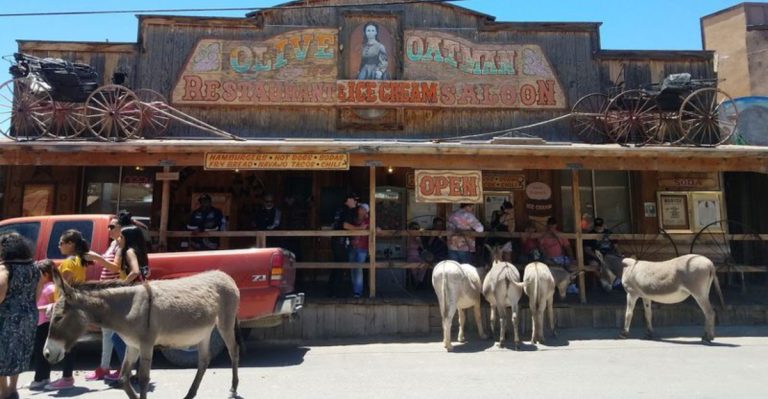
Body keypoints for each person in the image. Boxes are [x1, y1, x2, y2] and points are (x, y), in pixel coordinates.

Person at [44, 229, 91, 390]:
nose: (59, 246)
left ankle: (66, 378)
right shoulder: (79, 260)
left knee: (65, 343)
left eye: (61, 243)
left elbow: (65, 290)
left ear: (70, 244)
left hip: (67, 308)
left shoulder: (68, 264)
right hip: (77, 305)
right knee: (71, 342)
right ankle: (67, 377)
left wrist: (57, 308)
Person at [82, 215, 123, 382]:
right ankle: (105, 367)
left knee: (116, 333)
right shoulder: (114, 244)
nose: (109, 229)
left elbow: (116, 267)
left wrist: (97, 258)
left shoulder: (120, 243)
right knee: (108, 332)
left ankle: (116, 367)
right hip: (107, 294)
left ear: (120, 228)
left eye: (112, 226)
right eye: (108, 226)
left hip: (113, 295)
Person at [0, 232, 40, 399]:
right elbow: (36, 295)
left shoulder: (4, 268)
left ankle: (3, 392)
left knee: (1, 355)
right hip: (28, 316)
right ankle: (13, 388)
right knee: (18, 353)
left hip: (6, 317)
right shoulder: (34, 268)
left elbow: (0, 295)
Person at [25, 259, 56, 391]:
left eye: (38, 273)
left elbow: (53, 306)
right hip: (39, 323)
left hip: (45, 324)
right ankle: (42, 378)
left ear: (45, 274)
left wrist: (37, 308)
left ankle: (40, 379)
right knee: (39, 352)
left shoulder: (50, 288)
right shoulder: (42, 286)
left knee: (41, 353)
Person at [328, 193, 359, 298]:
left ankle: (331, 290)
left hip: (336, 240)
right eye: (354, 199)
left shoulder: (339, 209)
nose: (356, 202)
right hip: (341, 241)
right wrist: (360, 229)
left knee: (337, 265)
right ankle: (335, 293)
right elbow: (345, 225)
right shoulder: (347, 210)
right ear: (348, 200)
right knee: (340, 266)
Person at [538, 217, 578, 294]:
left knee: (573, 267)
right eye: (550, 226)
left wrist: (572, 258)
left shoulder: (560, 235)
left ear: (556, 225)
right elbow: (540, 249)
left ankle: (571, 285)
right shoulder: (543, 236)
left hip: (560, 257)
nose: (551, 228)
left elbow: (567, 247)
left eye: (553, 226)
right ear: (547, 226)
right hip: (548, 258)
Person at [584, 217, 623, 290]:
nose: (599, 227)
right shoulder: (590, 234)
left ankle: (616, 281)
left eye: (600, 225)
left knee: (619, 263)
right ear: (594, 226)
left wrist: (619, 255)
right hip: (595, 255)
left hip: (610, 254)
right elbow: (587, 249)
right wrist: (596, 256)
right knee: (594, 265)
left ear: (603, 225)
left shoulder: (609, 233)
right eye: (597, 226)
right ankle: (604, 281)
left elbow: (616, 246)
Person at [345, 203, 370, 298]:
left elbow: (375, 228)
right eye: (360, 208)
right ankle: (355, 289)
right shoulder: (353, 219)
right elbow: (346, 225)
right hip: (352, 246)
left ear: (366, 211)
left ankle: (357, 292)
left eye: (362, 208)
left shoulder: (368, 220)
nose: (360, 209)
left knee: (358, 269)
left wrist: (377, 229)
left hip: (362, 248)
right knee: (353, 269)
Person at [406, 221, 427, 289]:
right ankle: (416, 281)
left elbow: (422, 246)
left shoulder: (418, 236)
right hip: (410, 255)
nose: (415, 230)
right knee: (414, 266)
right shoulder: (407, 235)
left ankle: (419, 281)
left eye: (416, 228)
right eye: (413, 228)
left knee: (424, 264)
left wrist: (419, 237)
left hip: (418, 255)